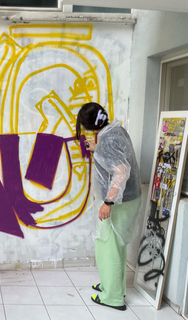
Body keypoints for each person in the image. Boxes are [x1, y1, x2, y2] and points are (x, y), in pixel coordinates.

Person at [76, 102, 142, 311]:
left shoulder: (108, 141)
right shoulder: (115, 131)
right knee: (115, 246)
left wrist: (108, 202)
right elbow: (118, 157)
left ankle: (112, 297)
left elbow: (121, 172)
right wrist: (97, 148)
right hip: (128, 199)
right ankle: (112, 286)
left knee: (108, 247)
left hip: (119, 202)